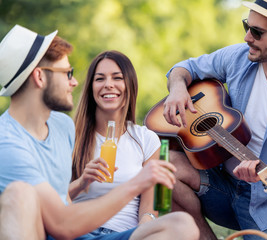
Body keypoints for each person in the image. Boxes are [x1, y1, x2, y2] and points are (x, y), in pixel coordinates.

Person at [0, 25, 199, 240]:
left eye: (117, 77)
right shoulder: (10, 145)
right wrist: (135, 183)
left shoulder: (60, 126)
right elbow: (61, 223)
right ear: (39, 77)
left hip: (114, 233)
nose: (74, 82)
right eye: (67, 73)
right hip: (67, 231)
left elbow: (61, 197)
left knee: (182, 225)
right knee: (19, 194)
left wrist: (83, 183)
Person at [161, 0, 267, 239]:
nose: (247, 37)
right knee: (163, 167)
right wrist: (178, 88)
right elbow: (185, 67)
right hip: (219, 181)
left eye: (257, 32)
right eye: (247, 26)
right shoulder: (240, 57)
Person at [69, 50, 182, 234]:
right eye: (99, 79)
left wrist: (144, 231)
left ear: (129, 85)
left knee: (180, 224)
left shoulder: (146, 140)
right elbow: (52, 203)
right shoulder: (71, 135)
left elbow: (149, 211)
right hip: (79, 231)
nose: (108, 85)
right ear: (90, 88)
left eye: (117, 78)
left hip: (122, 235)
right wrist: (81, 182)